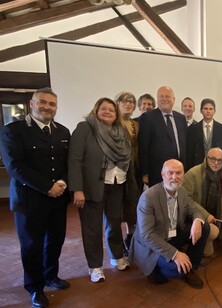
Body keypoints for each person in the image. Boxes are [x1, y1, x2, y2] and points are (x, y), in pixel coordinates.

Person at [0, 88, 70, 308]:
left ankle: (51, 276)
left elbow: (70, 163)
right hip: (29, 200)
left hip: (58, 198)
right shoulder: (13, 130)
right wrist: (47, 186)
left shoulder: (63, 131)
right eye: (43, 102)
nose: (47, 107)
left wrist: (62, 184)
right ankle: (35, 288)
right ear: (32, 104)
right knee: (32, 246)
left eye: (52, 104)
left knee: (55, 241)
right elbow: (15, 166)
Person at [68, 98, 132, 283]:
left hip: (117, 183)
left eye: (111, 109)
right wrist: (77, 189)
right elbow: (75, 160)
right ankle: (95, 266)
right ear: (96, 111)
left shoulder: (121, 131)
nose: (107, 112)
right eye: (103, 109)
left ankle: (117, 257)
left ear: (116, 113)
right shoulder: (85, 128)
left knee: (114, 223)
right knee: (92, 228)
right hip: (92, 187)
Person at [129, 159, 210, 289]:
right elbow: (147, 235)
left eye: (178, 173)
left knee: (204, 226)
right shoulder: (148, 197)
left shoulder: (182, 191)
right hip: (152, 246)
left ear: (183, 174)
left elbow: (194, 209)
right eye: (170, 173)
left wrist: (197, 221)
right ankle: (165, 269)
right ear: (162, 174)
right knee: (176, 271)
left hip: (171, 236)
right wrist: (175, 254)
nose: (174, 177)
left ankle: (191, 267)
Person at [183, 148, 222, 257]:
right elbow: (186, 200)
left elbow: (221, 197)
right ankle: (195, 247)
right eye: (213, 159)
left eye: (220, 160)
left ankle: (204, 240)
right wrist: (205, 215)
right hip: (193, 214)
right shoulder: (193, 173)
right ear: (206, 158)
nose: (216, 163)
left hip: (212, 213)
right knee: (213, 233)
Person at [138, 86, 188, 186]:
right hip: (157, 172)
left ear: (174, 99)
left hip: (178, 171)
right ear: (157, 99)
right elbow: (143, 147)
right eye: (161, 96)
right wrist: (144, 173)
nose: (164, 98)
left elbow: (184, 144)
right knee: (158, 200)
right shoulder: (148, 118)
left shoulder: (181, 118)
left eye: (167, 96)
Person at [115, 92, 141, 256]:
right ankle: (117, 245)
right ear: (117, 103)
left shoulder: (135, 124)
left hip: (134, 171)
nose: (129, 104)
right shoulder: (113, 123)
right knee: (115, 211)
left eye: (132, 102)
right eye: (125, 101)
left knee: (132, 207)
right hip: (118, 172)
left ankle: (130, 238)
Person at [186, 98, 222, 170]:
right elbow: (190, 152)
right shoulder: (192, 129)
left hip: (216, 167)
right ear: (201, 110)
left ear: (214, 111)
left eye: (211, 109)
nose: (208, 111)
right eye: (205, 108)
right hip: (198, 167)